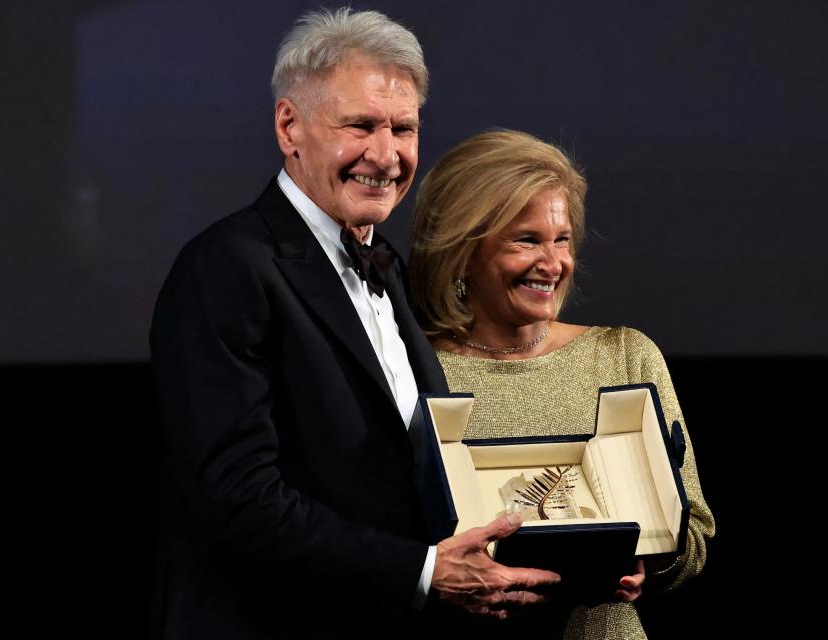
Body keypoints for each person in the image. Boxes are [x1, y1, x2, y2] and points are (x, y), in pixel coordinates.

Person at [150, 10, 560, 639]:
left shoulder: (388, 265)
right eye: (361, 125)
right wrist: (423, 571)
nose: (386, 154)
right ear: (290, 127)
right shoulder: (226, 267)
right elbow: (236, 498)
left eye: (403, 128)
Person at [409, 129, 716, 639]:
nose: (554, 264)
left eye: (562, 239)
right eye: (526, 240)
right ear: (461, 251)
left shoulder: (622, 356)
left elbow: (695, 535)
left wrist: (650, 561)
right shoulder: (411, 369)